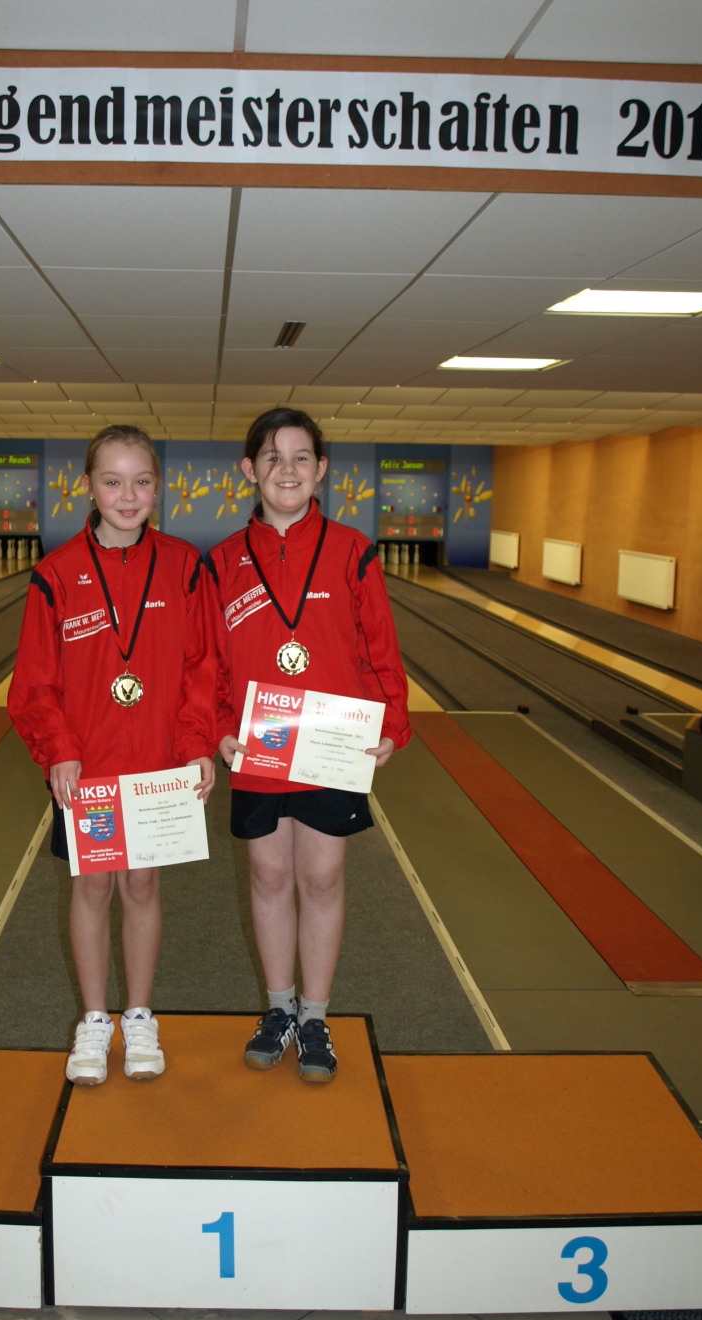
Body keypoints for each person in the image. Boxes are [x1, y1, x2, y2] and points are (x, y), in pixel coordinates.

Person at [8, 425, 216, 1086]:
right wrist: (58, 751)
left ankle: (139, 1015)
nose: (128, 496)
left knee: (143, 884)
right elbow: (34, 683)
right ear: (88, 487)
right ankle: (95, 1020)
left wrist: (195, 745)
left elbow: (201, 667)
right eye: (113, 481)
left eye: (141, 481)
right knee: (93, 886)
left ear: (159, 487)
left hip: (157, 761)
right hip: (89, 766)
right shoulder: (56, 576)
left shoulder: (184, 567)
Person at [208, 407, 411, 1082]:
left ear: (321, 469)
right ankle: (279, 1009)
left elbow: (380, 646)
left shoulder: (353, 551)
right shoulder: (224, 562)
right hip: (260, 744)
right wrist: (219, 725)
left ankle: (316, 1016)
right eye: (272, 457)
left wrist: (393, 723)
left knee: (322, 877)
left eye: (300, 457)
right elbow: (209, 661)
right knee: (269, 876)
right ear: (249, 470)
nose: (287, 470)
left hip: (330, 741)